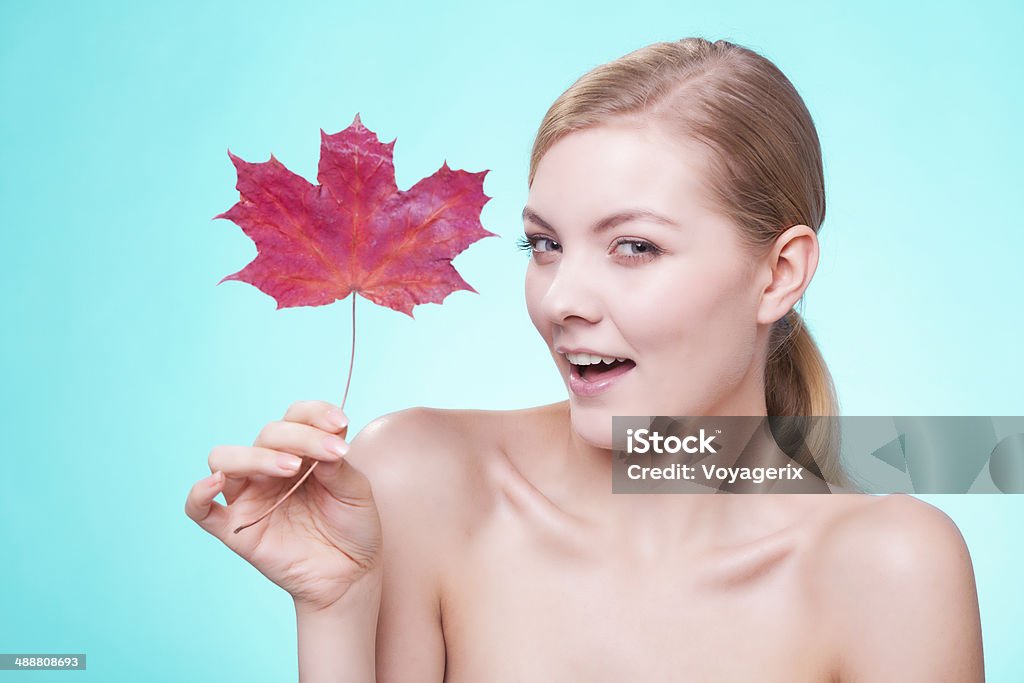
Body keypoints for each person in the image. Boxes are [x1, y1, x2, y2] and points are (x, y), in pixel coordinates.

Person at [185, 37, 984, 681]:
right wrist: (334, 611)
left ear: (779, 273)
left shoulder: (890, 568)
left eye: (634, 246)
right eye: (545, 245)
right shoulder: (421, 478)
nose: (562, 297)